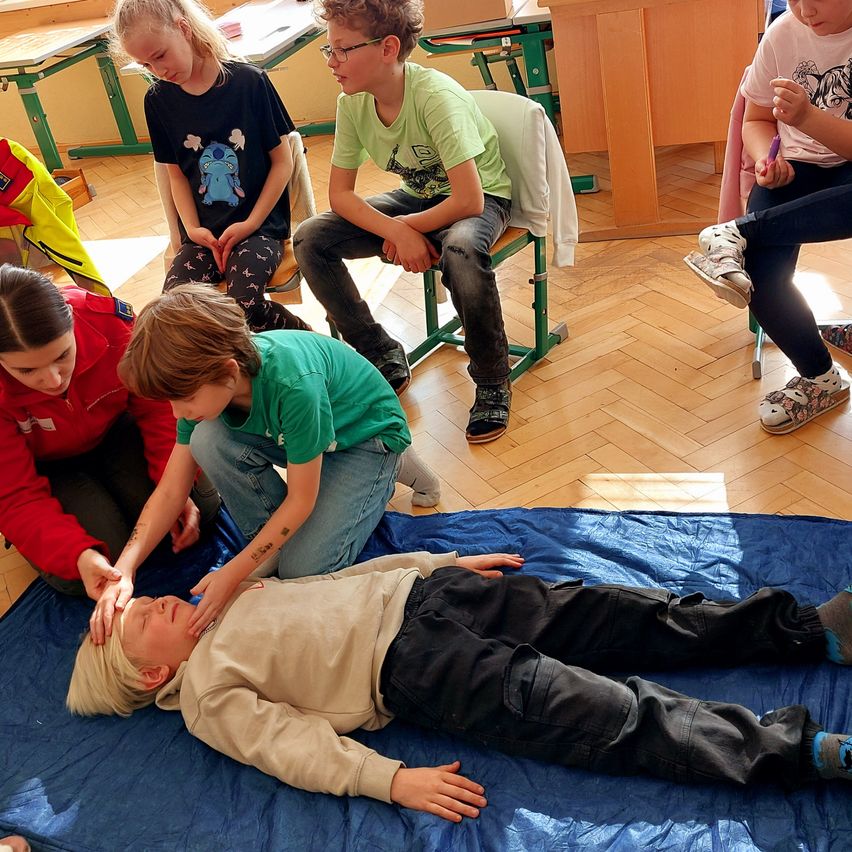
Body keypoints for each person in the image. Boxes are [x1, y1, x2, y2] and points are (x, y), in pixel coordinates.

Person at [68, 548, 852, 822]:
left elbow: (336, 580)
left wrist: (430, 566)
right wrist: (388, 781)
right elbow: (289, 748)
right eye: (143, 621)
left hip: (434, 598)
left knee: (625, 615)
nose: (157, 602)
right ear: (153, 672)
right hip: (419, 671)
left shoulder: (223, 594)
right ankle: (803, 751)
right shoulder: (206, 696)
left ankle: (808, 630)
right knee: (607, 713)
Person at [89, 284, 439, 644]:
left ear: (227, 371)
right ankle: (272, 541)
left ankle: (394, 464)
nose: (179, 413)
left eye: (186, 400)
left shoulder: (294, 386)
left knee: (304, 571)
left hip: (365, 437)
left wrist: (233, 572)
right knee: (204, 437)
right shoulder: (206, 380)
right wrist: (125, 567)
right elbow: (171, 490)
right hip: (312, 435)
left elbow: (301, 500)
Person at [293, 0, 514, 443]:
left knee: (462, 250)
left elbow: (469, 199)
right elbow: (341, 196)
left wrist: (407, 228)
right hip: (417, 199)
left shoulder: (436, 97)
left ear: (388, 47)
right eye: (328, 51)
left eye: (341, 50)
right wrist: (395, 228)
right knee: (311, 238)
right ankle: (379, 351)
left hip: (480, 199)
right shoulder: (352, 103)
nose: (332, 63)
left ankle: (492, 379)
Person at [682, 0, 852, 433]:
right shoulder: (783, 30)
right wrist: (764, 161)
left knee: (749, 243)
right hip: (796, 167)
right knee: (758, 274)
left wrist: (808, 117)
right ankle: (820, 378)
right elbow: (756, 118)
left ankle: (733, 233)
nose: (804, 9)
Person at [0, 265, 219, 597]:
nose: (54, 380)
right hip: (45, 467)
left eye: (62, 355)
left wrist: (171, 481)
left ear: (73, 321)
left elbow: (159, 406)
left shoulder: (109, 323)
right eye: (27, 370)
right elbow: (14, 496)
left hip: (116, 430)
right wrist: (78, 554)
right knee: (96, 561)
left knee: (201, 507)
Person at [111, 0, 311, 333]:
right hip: (201, 235)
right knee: (174, 312)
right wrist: (192, 230)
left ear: (183, 28)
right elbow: (175, 175)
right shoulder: (158, 100)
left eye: (160, 55)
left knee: (242, 306)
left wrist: (250, 223)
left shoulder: (249, 83)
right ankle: (226, 374)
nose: (158, 71)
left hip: (258, 229)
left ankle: (314, 347)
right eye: (145, 64)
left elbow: (282, 162)